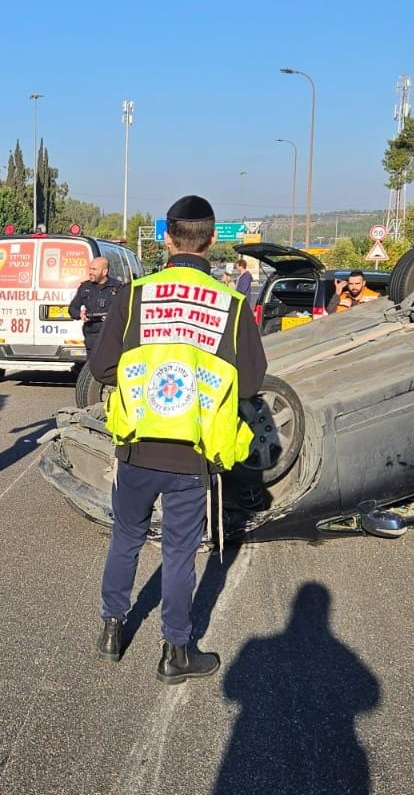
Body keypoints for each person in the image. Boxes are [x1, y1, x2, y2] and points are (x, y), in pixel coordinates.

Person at [89, 195, 268, 684]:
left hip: (138, 441)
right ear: (211, 240)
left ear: (167, 237)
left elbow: (102, 367)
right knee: (179, 552)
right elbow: (251, 381)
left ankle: (111, 630)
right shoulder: (230, 305)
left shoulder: (134, 295)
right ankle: (175, 650)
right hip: (193, 449)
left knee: (126, 537)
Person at [67, 256, 121, 343]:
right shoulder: (85, 287)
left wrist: (112, 316)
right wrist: (80, 314)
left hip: (111, 336)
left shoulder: (117, 287)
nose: (90, 272)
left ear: (104, 272)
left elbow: (126, 310)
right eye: (90, 269)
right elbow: (72, 308)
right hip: (91, 336)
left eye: (94, 269)